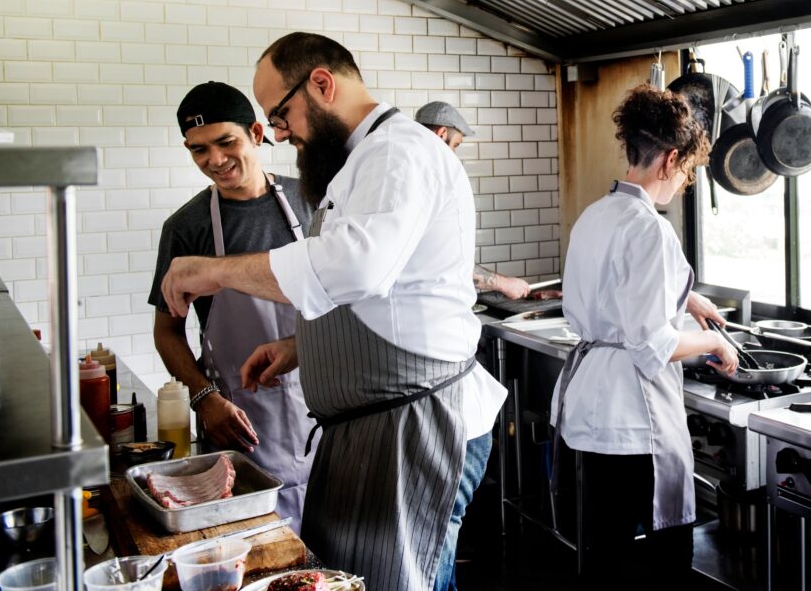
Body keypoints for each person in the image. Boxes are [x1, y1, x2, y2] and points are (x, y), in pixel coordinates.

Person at [159, 33, 505, 591]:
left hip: (415, 424)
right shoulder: (362, 161)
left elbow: (354, 269)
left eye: (281, 114)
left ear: (321, 84)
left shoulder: (398, 152)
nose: (279, 133)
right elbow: (382, 295)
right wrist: (304, 347)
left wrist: (215, 270)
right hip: (377, 427)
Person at [551, 84, 740, 587]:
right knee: (666, 564)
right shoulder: (651, 229)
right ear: (670, 159)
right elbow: (655, 344)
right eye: (687, 172)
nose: (683, 183)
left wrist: (686, 298)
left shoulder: (596, 214)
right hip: (633, 423)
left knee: (603, 558)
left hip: (588, 411)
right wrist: (716, 344)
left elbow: (609, 299)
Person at [149, 81, 315, 526]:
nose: (215, 161)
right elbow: (167, 330)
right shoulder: (187, 227)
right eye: (198, 150)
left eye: (226, 143)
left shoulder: (313, 199)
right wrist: (204, 399)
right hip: (241, 418)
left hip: (325, 406)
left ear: (257, 134)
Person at [415, 100, 532, 301]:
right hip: (430, 309)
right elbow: (447, 260)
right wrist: (504, 283)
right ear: (441, 133)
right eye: (456, 145)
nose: (454, 154)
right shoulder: (431, 182)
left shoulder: (409, 172)